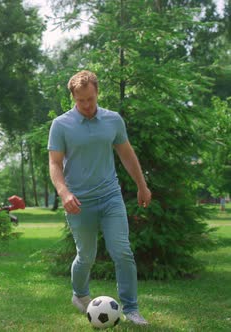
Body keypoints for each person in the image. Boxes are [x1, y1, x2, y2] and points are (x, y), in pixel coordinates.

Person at [48, 70, 152, 326]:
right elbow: (54, 163)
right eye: (81, 100)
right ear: (73, 97)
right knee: (86, 256)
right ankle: (80, 294)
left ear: (97, 94)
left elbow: (127, 154)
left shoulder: (113, 120)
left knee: (122, 252)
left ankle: (132, 309)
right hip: (79, 202)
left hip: (109, 197)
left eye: (91, 99)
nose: (86, 105)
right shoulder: (61, 125)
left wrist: (142, 185)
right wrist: (64, 192)